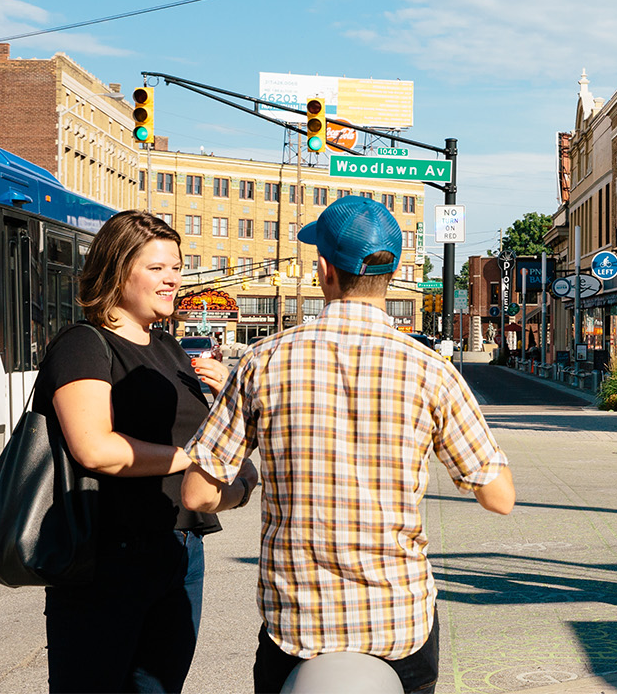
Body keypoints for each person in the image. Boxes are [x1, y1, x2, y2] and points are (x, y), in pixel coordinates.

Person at [181, 196, 515, 693]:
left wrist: (245, 486)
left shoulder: (263, 361)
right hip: (399, 622)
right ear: (394, 269)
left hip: (296, 625)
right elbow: (499, 497)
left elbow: (198, 495)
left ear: (323, 269)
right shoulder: (432, 372)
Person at [32, 210, 244, 693]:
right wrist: (194, 458)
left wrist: (231, 399)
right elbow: (97, 449)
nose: (172, 279)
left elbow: (209, 436)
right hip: (107, 558)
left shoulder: (169, 350)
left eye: (176, 267)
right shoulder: (83, 345)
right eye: (156, 268)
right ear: (116, 269)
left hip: (180, 550)